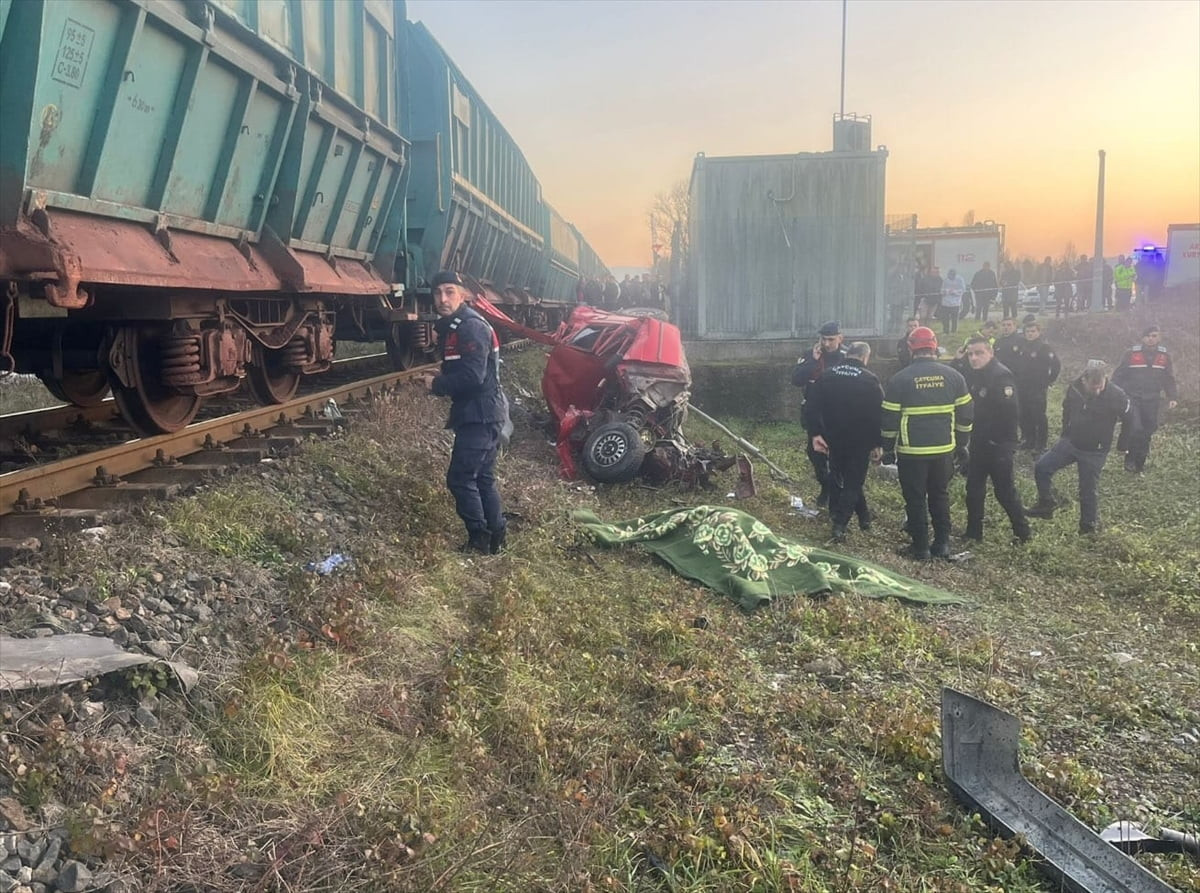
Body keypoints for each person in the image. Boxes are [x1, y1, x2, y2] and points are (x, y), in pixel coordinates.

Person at [420, 271, 508, 555]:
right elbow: (466, 367)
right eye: (438, 293)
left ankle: (479, 540)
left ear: (463, 295)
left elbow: (473, 376)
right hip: (483, 412)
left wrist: (437, 384)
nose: (442, 299)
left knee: (460, 478)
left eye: (449, 292)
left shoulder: (470, 326)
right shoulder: (455, 325)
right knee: (482, 476)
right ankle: (496, 536)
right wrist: (444, 371)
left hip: (480, 415)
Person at [881, 326, 973, 560]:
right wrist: (962, 444)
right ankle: (942, 544)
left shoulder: (899, 379)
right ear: (935, 346)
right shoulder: (955, 377)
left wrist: (888, 449)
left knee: (915, 498)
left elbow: (889, 419)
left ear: (911, 348)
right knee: (940, 495)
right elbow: (966, 415)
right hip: (944, 450)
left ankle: (920, 547)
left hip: (912, 452)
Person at [1027, 364, 1137, 534]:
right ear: (1084, 380)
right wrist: (1065, 432)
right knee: (1042, 467)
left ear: (1105, 380)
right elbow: (1066, 407)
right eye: (1094, 388)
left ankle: (1088, 528)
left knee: (1087, 489)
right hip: (1071, 442)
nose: (1098, 391)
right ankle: (1046, 504)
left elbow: (1130, 419)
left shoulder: (1117, 395)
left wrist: (1123, 445)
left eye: (1100, 386)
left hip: (1095, 450)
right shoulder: (1075, 388)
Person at [804, 342, 884, 543]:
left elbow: (811, 406)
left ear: (847, 354)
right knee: (853, 481)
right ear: (866, 357)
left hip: (833, 436)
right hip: (859, 439)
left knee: (839, 475)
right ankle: (840, 524)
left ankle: (864, 518)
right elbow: (878, 414)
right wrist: (877, 442)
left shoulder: (827, 375)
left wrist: (815, 434)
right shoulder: (870, 380)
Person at [958, 337, 1030, 543]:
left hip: (999, 444)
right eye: (970, 354)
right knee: (973, 489)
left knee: (1004, 492)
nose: (973, 358)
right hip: (979, 442)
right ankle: (973, 533)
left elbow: (1010, 414)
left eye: (979, 353)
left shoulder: (1001, 377)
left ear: (990, 353)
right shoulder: (975, 374)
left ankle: (1023, 533)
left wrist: (1000, 443)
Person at [792, 321, 847, 507]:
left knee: (838, 456)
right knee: (815, 454)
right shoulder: (811, 355)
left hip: (839, 414)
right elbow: (797, 380)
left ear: (840, 338)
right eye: (824, 339)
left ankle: (836, 491)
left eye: (831, 340)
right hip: (815, 413)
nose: (827, 344)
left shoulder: (847, 357)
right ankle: (826, 486)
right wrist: (812, 362)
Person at [1112, 325, 1178, 472]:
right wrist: (1113, 394)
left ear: (1159, 338)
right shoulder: (1131, 353)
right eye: (1148, 336)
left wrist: (1172, 396)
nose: (1151, 339)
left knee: (1148, 430)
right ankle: (1129, 459)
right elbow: (1119, 375)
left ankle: (1140, 462)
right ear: (1143, 338)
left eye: (1154, 336)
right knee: (1135, 428)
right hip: (1133, 397)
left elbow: (1169, 378)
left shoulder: (1164, 356)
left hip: (1153, 399)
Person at [1012, 317, 1060, 452]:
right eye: (1027, 331)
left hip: (1037, 388)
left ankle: (1041, 444)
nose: (1030, 334)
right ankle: (1028, 439)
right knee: (1023, 414)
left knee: (1038, 416)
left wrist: (1049, 381)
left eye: (1033, 331)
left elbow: (1056, 365)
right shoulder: (1022, 345)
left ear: (1039, 332)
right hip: (1022, 386)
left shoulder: (1044, 348)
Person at [940, 268, 966, 334]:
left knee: (954, 318)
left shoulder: (960, 280)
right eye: (949, 276)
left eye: (952, 276)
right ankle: (945, 331)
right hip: (945, 303)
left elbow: (963, 290)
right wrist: (946, 291)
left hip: (955, 303)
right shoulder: (945, 280)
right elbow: (941, 290)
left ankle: (953, 331)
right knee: (945, 318)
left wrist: (954, 292)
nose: (950, 277)